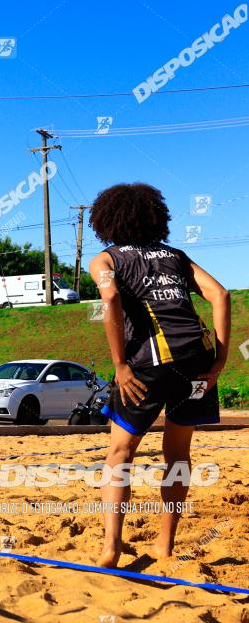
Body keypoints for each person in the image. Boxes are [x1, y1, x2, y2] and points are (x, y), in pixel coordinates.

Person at [88, 183, 230, 568]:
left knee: (120, 453)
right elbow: (220, 294)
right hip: (197, 362)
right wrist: (220, 359)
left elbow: (111, 298)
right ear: (156, 218)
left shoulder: (105, 260)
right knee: (178, 455)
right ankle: (165, 546)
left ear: (107, 220)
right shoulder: (177, 257)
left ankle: (110, 550)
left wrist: (119, 365)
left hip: (148, 364)